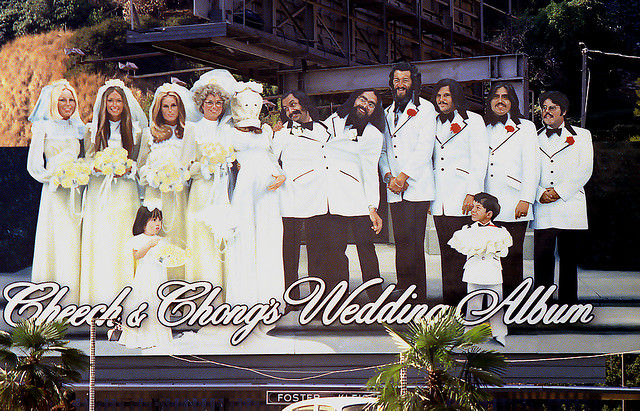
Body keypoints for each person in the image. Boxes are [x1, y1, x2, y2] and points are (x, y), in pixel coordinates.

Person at [80, 79, 148, 305]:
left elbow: (139, 161)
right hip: (100, 190)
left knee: (123, 237)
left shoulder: (135, 130)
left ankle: (126, 292)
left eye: (118, 100)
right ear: (104, 102)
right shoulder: (93, 130)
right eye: (110, 100)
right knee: (102, 238)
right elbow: (87, 160)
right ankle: (100, 293)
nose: (114, 104)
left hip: (125, 190)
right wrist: (98, 166)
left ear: (125, 104)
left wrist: (129, 168)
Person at [379, 62, 437, 302]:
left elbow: (425, 149)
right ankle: (404, 290)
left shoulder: (426, 109)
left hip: (416, 187)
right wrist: (388, 176)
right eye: (396, 80)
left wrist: (403, 177)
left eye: (405, 79)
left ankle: (418, 295)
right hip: (394, 189)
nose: (400, 84)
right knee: (400, 243)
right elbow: (382, 150)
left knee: (414, 243)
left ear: (414, 82)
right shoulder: (385, 112)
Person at [225, 81, 286, 306]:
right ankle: (245, 298)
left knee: (268, 239)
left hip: (269, 191)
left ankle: (268, 297)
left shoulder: (266, 131)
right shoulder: (228, 132)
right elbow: (225, 163)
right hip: (245, 190)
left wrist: (281, 174)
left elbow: (271, 158)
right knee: (245, 238)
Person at [321, 89, 385, 299]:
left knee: (366, 250)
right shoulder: (333, 121)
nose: (365, 105)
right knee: (335, 252)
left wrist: (372, 208)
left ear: (374, 111)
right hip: (333, 198)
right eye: (362, 99)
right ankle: (337, 298)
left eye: (371, 104)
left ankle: (376, 297)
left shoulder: (374, 135)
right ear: (354, 100)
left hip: (358, 200)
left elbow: (371, 172)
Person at [27, 79, 85, 303]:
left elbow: (81, 158)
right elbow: (34, 164)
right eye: (62, 100)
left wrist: (78, 174)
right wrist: (52, 178)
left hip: (75, 192)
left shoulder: (77, 126)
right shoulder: (43, 126)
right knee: (54, 239)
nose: (68, 104)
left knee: (72, 239)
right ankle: (49, 295)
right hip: (54, 192)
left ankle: (73, 297)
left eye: (71, 100)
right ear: (53, 102)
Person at [431, 78, 489, 305]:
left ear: (455, 97)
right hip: (439, 197)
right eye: (438, 96)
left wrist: (472, 193)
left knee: (464, 252)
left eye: (446, 95)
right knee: (446, 252)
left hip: (462, 195)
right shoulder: (432, 122)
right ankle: (450, 304)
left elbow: (479, 158)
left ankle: (469, 303)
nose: (442, 99)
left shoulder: (473, 121)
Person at [532, 91, 593, 303]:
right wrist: (539, 193)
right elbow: (529, 169)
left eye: (552, 108)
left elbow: (585, 169)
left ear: (564, 111)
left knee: (568, 258)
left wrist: (559, 192)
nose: (547, 112)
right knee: (542, 258)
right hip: (543, 205)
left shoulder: (582, 136)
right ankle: (541, 304)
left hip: (569, 204)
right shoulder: (533, 136)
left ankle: (568, 304)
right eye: (544, 108)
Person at [137, 83, 200, 280]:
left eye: (174, 105)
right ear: (159, 108)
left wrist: (183, 174)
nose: (170, 110)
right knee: (157, 239)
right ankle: (157, 286)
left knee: (179, 238)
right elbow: (140, 167)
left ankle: (178, 286)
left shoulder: (189, 131)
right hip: (155, 194)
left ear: (180, 108)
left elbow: (193, 163)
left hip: (179, 195)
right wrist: (153, 176)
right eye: (165, 106)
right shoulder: (150, 133)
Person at [272, 90, 330, 302]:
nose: (290, 110)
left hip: (317, 197)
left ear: (304, 103)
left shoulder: (324, 129)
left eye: (294, 104)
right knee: (289, 251)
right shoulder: (281, 134)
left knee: (317, 250)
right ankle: (291, 296)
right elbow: (271, 160)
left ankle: (317, 296)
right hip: (290, 197)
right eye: (286, 107)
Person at [181, 70, 237, 287]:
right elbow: (184, 168)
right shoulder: (193, 130)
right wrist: (205, 167)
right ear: (201, 104)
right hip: (201, 191)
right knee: (201, 239)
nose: (214, 107)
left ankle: (221, 290)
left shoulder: (228, 129)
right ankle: (200, 289)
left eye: (218, 103)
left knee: (220, 238)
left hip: (222, 190)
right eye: (210, 102)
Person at [483, 82, 539, 297]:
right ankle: (491, 303)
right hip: (488, 202)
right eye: (496, 96)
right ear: (489, 101)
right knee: (489, 256)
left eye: (505, 97)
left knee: (512, 255)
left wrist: (526, 199)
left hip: (515, 199)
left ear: (512, 101)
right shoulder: (483, 126)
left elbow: (532, 166)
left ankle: (514, 304)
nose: (500, 101)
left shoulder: (525, 127)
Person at [448, 192, 512, 346]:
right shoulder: (467, 231)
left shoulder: (500, 232)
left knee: (496, 302)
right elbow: (462, 248)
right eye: (473, 207)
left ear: (489, 214)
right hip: (474, 271)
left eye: (478, 208)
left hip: (492, 270)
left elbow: (503, 251)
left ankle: (499, 332)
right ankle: (470, 332)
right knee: (473, 303)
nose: (473, 210)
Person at [119, 202, 173, 349]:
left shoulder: (162, 240)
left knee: (158, 303)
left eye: (159, 220)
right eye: (153, 220)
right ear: (143, 222)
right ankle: (140, 337)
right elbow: (138, 256)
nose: (158, 224)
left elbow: (166, 257)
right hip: (145, 276)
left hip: (159, 276)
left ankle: (160, 336)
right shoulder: (138, 240)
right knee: (144, 301)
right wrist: (149, 245)